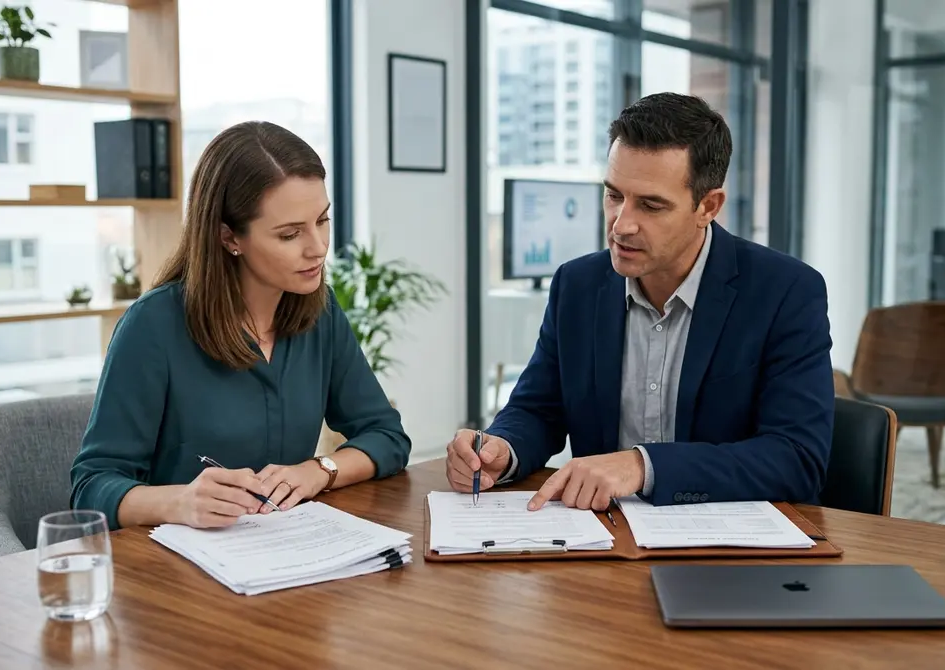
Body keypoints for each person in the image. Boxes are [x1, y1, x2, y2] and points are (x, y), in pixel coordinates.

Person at [446, 93, 833, 511]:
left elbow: (796, 459)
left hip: (730, 553)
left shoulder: (786, 291)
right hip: (601, 540)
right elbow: (539, 409)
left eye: (650, 205)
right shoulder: (576, 285)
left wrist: (643, 466)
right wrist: (501, 449)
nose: (622, 224)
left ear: (708, 206)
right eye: (614, 196)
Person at [71, 121, 411, 530]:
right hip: (174, 571)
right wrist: (178, 502)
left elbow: (386, 436)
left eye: (322, 220)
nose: (318, 248)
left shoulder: (319, 312)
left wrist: (319, 470)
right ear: (229, 237)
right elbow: (91, 487)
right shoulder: (153, 326)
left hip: (284, 557)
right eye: (290, 234)